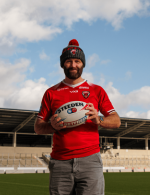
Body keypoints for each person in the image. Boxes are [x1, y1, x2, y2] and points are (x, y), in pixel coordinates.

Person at [34, 39, 121, 195]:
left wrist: (99, 120)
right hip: (60, 162)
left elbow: (116, 120)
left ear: (83, 64)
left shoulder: (96, 90)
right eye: (68, 61)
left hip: (90, 160)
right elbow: (38, 127)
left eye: (77, 61)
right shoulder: (51, 92)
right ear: (62, 64)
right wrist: (52, 126)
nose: (73, 65)